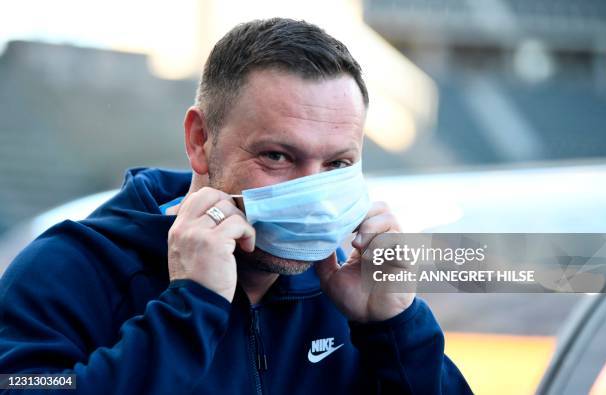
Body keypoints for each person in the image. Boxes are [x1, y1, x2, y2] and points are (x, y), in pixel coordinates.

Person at [0, 18, 472, 394]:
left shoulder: (354, 292)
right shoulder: (68, 269)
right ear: (200, 140)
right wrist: (189, 311)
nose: (313, 196)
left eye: (337, 163)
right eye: (277, 156)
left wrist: (395, 329)